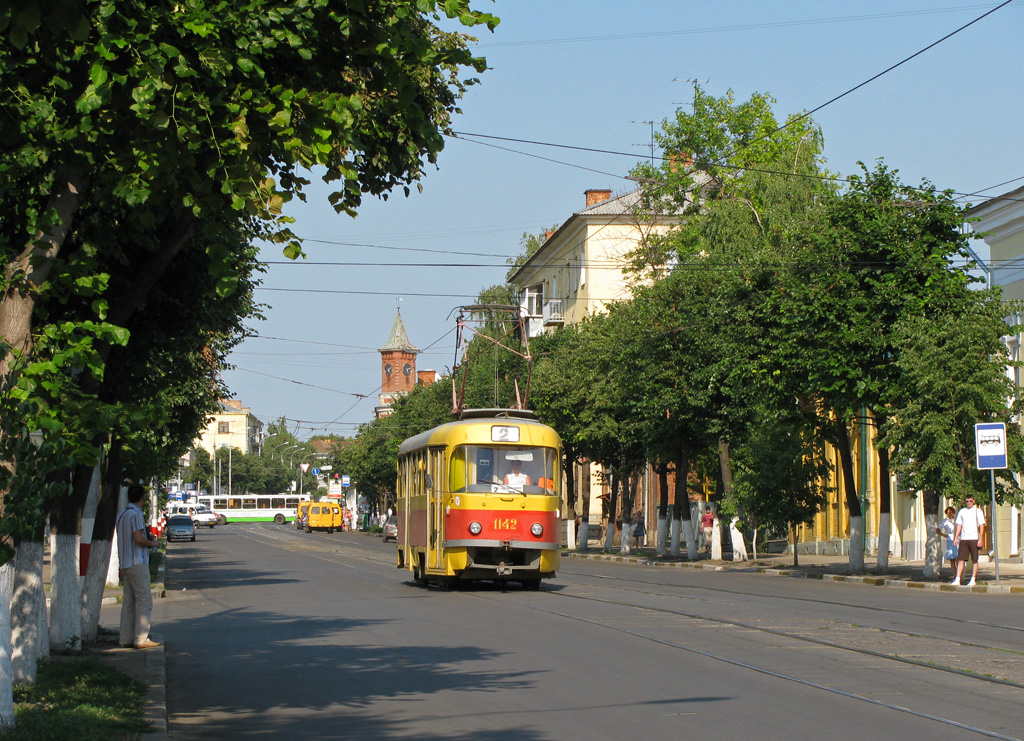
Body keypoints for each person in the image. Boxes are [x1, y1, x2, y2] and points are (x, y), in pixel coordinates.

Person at [116, 484, 160, 649]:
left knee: (129, 602)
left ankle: (125, 638)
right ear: (142, 498)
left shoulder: (122, 514)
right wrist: (151, 543)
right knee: (144, 601)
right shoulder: (136, 514)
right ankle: (141, 639)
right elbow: (137, 538)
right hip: (137, 562)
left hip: (125, 563)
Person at [952, 496, 986, 586]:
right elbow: (959, 525)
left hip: (974, 538)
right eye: (967, 501)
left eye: (971, 501)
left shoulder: (977, 511)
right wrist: (956, 537)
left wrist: (981, 539)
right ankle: (957, 579)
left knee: (974, 559)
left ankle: (973, 579)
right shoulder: (962, 511)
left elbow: (982, 525)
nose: (969, 503)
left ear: (974, 501)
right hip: (964, 538)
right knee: (961, 559)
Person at [936, 506, 957, 575]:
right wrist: (944, 535)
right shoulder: (945, 521)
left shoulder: (957, 520)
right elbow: (938, 530)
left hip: (957, 539)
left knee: (958, 558)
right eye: (948, 513)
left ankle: (959, 575)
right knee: (952, 559)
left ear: (953, 512)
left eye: (951, 512)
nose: (950, 514)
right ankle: (954, 575)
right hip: (950, 540)